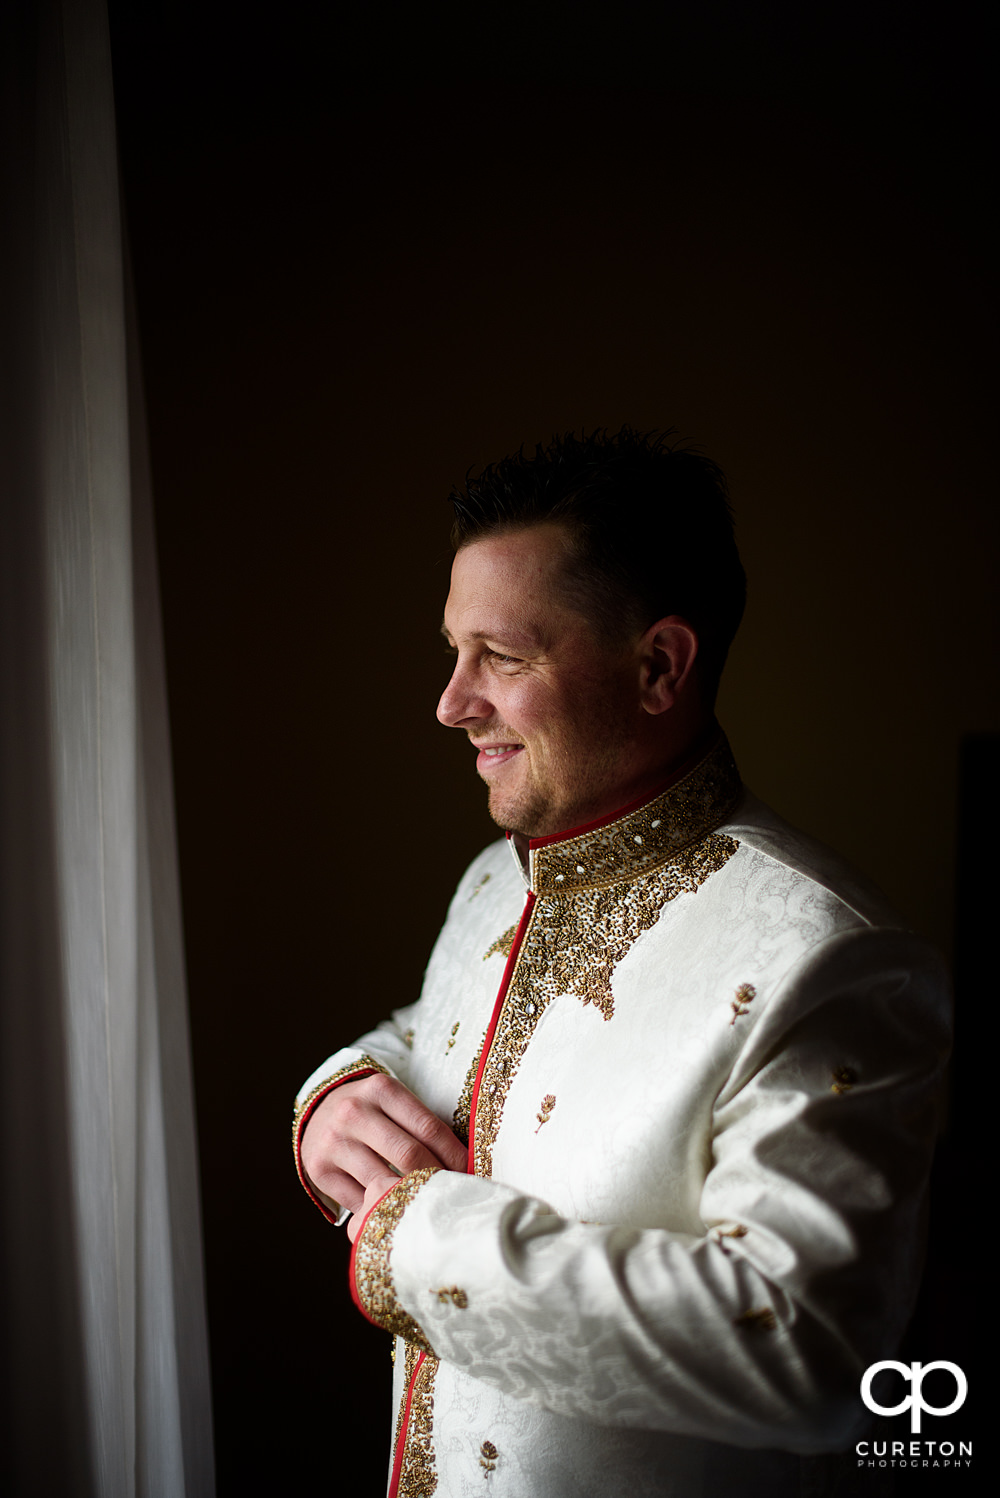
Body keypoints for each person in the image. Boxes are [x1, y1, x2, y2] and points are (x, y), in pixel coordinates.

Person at [293, 429, 949, 1497]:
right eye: (453, 653)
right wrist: (336, 1091)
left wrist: (413, 1242)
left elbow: (810, 1356)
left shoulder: (834, 958)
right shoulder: (494, 880)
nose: (452, 703)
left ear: (659, 666)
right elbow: (430, 1036)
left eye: (501, 658)